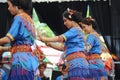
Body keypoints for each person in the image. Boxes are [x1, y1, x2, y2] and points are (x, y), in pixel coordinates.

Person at [38, 8, 89, 80]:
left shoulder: (75, 30)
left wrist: (44, 38)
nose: (64, 23)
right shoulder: (75, 32)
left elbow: (60, 38)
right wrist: (49, 44)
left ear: (71, 19)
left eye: (65, 20)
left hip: (77, 62)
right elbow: (62, 47)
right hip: (75, 62)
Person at [0, 0, 39, 80]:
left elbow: (8, 39)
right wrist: (4, 49)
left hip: (20, 61)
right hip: (30, 60)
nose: (8, 8)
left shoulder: (19, 18)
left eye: (9, 5)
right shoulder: (30, 20)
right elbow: (23, 44)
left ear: (17, 6)